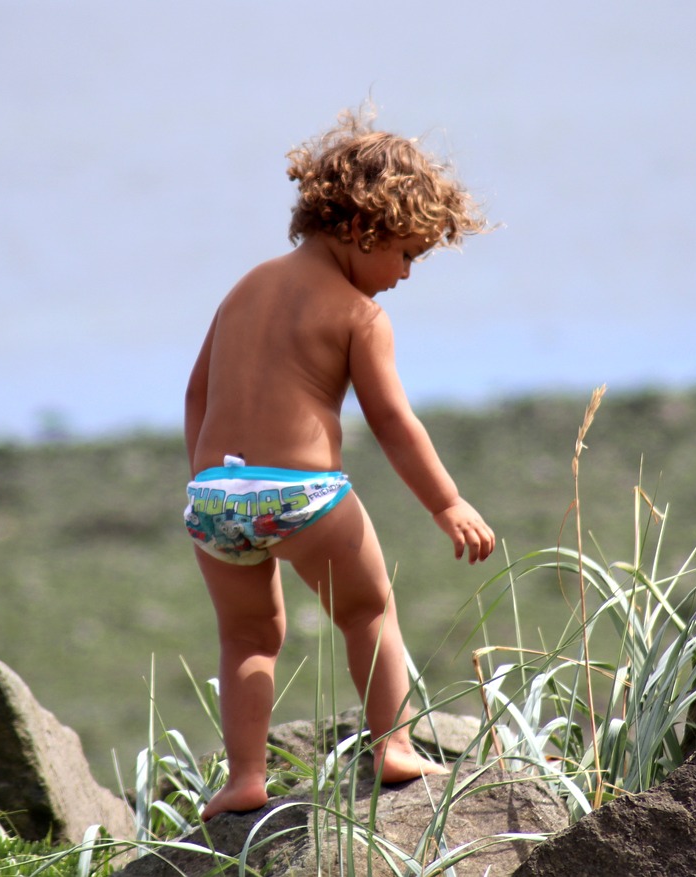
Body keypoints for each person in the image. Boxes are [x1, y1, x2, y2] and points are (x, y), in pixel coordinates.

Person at [182, 108, 496, 819]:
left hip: (214, 499)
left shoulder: (244, 288)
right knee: (369, 609)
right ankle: (393, 745)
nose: (408, 274)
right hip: (301, 496)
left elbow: (196, 391)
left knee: (246, 637)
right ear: (363, 231)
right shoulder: (360, 316)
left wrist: (204, 480)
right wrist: (447, 502)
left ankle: (244, 778)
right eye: (408, 254)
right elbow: (391, 420)